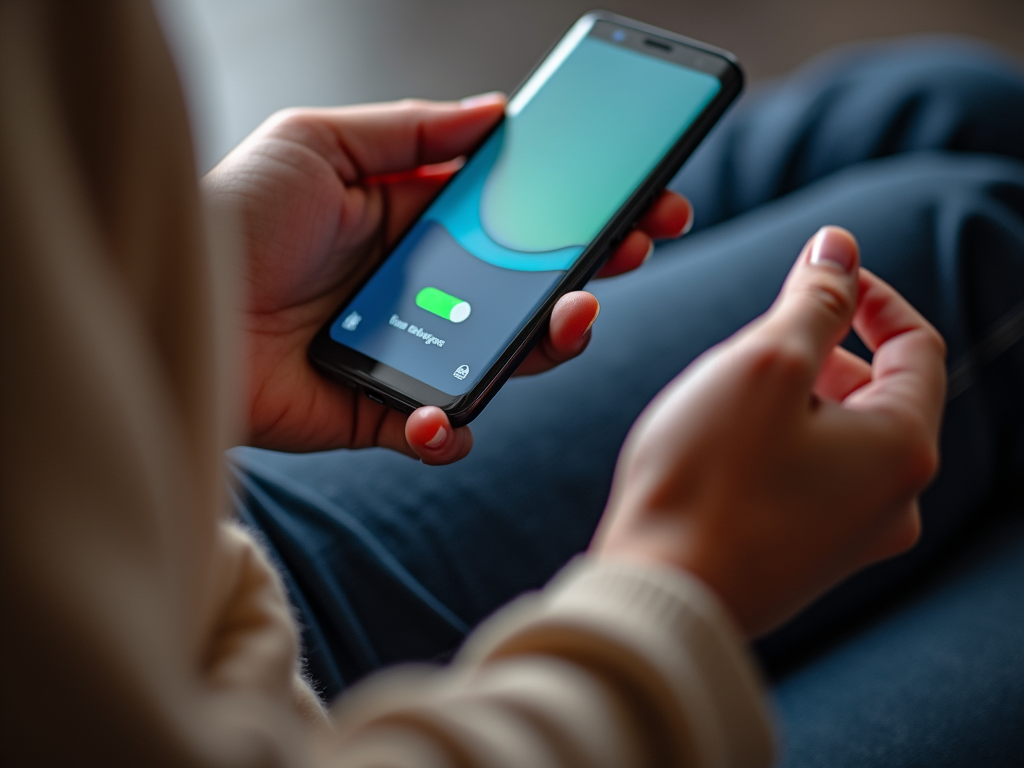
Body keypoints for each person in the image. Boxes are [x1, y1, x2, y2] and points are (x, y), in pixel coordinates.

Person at [2, 1, 1021, 765]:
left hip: (190, 543)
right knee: (974, 237)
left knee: (927, 105)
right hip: (278, 707)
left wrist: (168, 338)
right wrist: (678, 585)